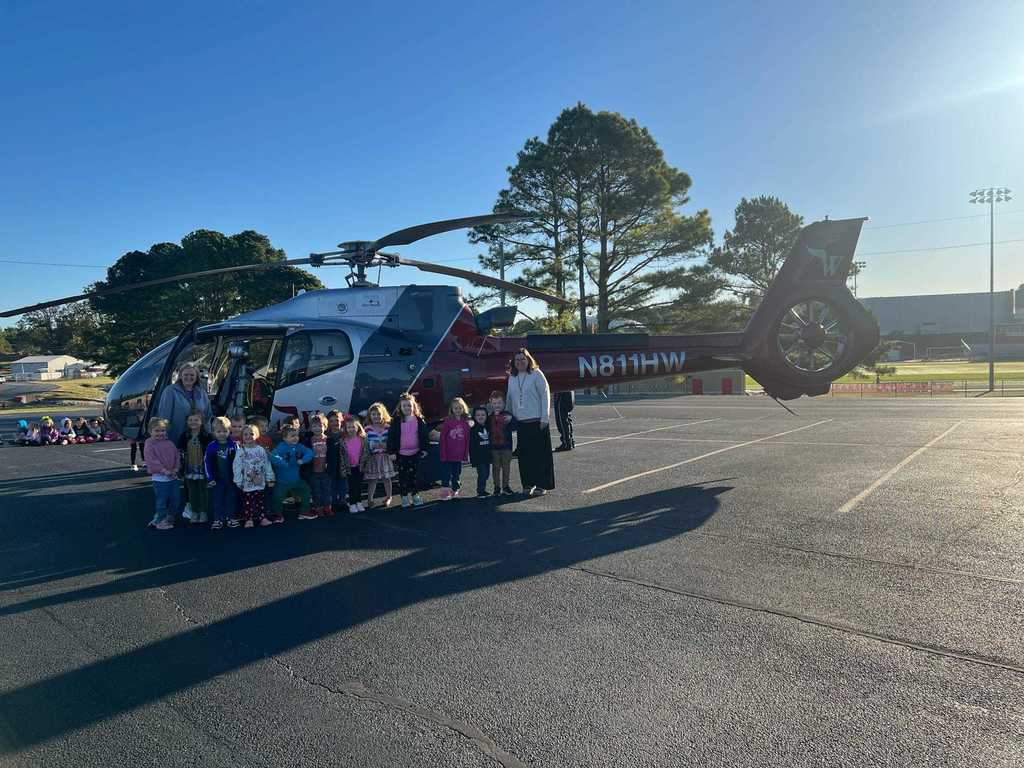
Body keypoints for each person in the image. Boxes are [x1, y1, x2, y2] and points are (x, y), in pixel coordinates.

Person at [506, 348, 555, 496]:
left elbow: (545, 395)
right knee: (525, 456)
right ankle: (528, 484)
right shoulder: (512, 378)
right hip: (521, 423)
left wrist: (544, 418)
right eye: (517, 360)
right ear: (513, 363)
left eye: (523, 359)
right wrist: (509, 417)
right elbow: (509, 398)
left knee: (541, 456)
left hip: (537, 421)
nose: (520, 362)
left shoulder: (536, 374)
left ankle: (542, 485)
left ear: (528, 360)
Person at [387, 392, 430, 508]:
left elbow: (424, 436)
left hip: (415, 453)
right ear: (400, 407)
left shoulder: (419, 421)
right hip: (401, 454)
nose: (407, 408)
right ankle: (404, 496)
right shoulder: (396, 421)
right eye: (405, 406)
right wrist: (391, 452)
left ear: (414, 406)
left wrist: (425, 449)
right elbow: (391, 437)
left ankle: (415, 495)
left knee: (414, 476)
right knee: (403, 476)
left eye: (409, 405)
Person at [157, 362, 212, 443]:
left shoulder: (201, 392)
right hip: (176, 438)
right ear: (180, 376)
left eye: (192, 375)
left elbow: (208, 415)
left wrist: (209, 435)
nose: (189, 377)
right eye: (186, 374)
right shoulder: (170, 391)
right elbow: (164, 416)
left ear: (196, 377)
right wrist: (163, 438)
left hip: (198, 441)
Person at [233, 424, 275, 528]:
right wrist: (238, 481)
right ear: (242, 437)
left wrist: (270, 478)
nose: (248, 436)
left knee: (260, 501)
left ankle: (262, 518)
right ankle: (249, 519)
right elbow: (237, 467)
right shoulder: (241, 451)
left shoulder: (261, 450)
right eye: (245, 434)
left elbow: (267, 464)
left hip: (260, 482)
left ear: (256, 435)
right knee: (248, 503)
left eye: (251, 434)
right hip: (246, 483)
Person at [269, 427, 313, 522]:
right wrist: (283, 463)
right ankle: (278, 515)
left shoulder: (299, 446)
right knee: (277, 497)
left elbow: (310, 452)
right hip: (282, 481)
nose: (295, 438)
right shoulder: (281, 447)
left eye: (297, 435)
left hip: (296, 480)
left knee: (306, 491)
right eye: (292, 436)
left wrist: (303, 460)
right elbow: (272, 456)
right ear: (284, 438)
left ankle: (304, 512)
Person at [144, 417, 180, 531]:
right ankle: (160, 520)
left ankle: (169, 516)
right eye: (157, 430)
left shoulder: (169, 443)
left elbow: (176, 456)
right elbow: (151, 459)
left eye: (163, 430)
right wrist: (164, 470)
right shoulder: (149, 443)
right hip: (160, 479)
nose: (160, 433)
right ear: (150, 431)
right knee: (162, 501)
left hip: (173, 477)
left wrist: (176, 469)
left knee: (176, 499)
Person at [177, 412, 211, 525]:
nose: (193, 422)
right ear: (187, 422)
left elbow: (211, 454)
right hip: (189, 468)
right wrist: (180, 468)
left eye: (196, 420)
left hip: (202, 468)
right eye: (191, 420)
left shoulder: (206, 436)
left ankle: (203, 511)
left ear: (201, 422)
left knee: (203, 491)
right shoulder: (184, 436)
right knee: (192, 491)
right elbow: (179, 452)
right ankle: (195, 511)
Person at [204, 416, 238, 530]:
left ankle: (231, 517)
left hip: (231, 479)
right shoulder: (211, 447)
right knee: (217, 499)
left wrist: (238, 477)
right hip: (217, 479)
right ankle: (218, 519)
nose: (222, 434)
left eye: (225, 431)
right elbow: (207, 463)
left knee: (231, 498)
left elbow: (239, 462)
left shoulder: (233, 445)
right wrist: (210, 478)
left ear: (229, 431)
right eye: (218, 431)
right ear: (213, 432)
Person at [436, 397, 470, 501]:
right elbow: (443, 438)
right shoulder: (448, 422)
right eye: (455, 408)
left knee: (457, 474)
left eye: (460, 408)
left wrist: (465, 453)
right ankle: (445, 493)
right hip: (448, 454)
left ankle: (455, 490)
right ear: (452, 409)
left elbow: (467, 439)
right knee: (446, 474)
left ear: (463, 408)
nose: (458, 410)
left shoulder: (465, 423)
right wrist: (443, 452)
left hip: (458, 455)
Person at [363, 402, 395, 509]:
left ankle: (389, 496)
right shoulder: (367, 429)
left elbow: (392, 442)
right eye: (373, 414)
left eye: (378, 414)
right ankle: (370, 499)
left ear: (383, 414)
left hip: (385, 456)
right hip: (373, 457)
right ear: (370, 416)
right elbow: (365, 444)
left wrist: (387, 446)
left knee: (387, 477)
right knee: (373, 479)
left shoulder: (388, 427)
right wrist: (373, 445)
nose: (376, 416)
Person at [303, 413, 333, 519]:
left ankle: (327, 507)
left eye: (320, 425)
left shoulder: (329, 440)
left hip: (325, 471)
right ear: (311, 428)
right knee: (316, 491)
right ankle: (318, 508)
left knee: (327, 490)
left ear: (325, 426)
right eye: (314, 426)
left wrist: (330, 466)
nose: (317, 428)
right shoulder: (308, 440)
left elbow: (332, 455)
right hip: (313, 471)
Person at [486, 391, 516, 495]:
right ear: (491, 404)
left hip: (506, 447)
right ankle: (497, 487)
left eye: (499, 403)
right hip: (494, 447)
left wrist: (512, 419)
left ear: (504, 404)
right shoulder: (489, 417)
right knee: (496, 467)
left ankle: (506, 486)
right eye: (494, 403)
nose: (497, 406)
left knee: (506, 467)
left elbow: (515, 427)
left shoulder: (507, 415)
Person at [325, 410, 349, 512]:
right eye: (331, 421)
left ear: (341, 421)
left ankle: (343, 501)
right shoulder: (325, 436)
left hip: (343, 464)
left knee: (343, 484)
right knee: (332, 484)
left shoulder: (345, 434)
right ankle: (334, 502)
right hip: (331, 465)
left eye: (337, 420)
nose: (335, 423)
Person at [343, 415, 368, 513]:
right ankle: (352, 504)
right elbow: (341, 456)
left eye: (353, 427)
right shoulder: (343, 441)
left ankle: (359, 502)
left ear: (357, 427)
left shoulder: (362, 439)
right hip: (349, 468)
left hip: (359, 467)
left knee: (358, 486)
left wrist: (365, 465)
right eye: (349, 427)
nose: (351, 429)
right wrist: (343, 469)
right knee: (351, 486)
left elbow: (366, 453)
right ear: (345, 429)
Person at [469, 406, 493, 498]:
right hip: (478, 457)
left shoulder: (488, 426)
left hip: (487, 455)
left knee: (486, 474)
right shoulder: (473, 428)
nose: (480, 416)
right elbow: (471, 445)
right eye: (478, 415)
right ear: (474, 416)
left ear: (486, 416)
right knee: (482, 474)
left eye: (483, 414)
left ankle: (482, 489)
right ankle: (480, 491)